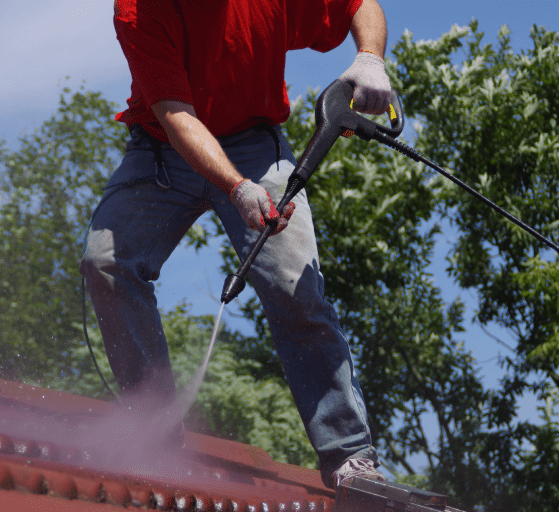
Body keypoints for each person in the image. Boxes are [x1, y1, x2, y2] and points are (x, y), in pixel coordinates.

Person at [80, 0, 392, 488]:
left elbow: (359, 4)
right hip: (163, 146)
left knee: (295, 289)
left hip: (256, 146)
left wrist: (370, 57)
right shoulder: (138, 11)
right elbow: (175, 115)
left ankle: (350, 456)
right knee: (106, 262)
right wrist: (236, 187)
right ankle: (155, 439)